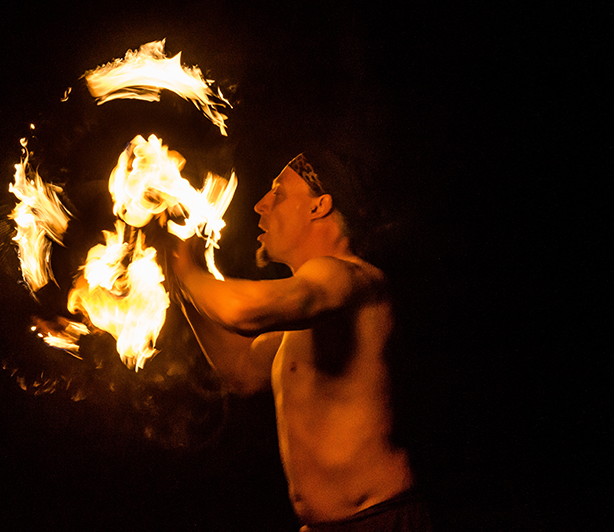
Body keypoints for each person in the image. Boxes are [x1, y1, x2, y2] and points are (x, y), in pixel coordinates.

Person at [171, 151, 431, 531]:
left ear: (319, 206)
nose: (260, 205)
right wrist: (179, 276)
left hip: (378, 520)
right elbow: (241, 370)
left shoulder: (347, 278)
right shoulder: (307, 309)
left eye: (277, 193)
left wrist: (186, 267)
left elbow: (240, 312)